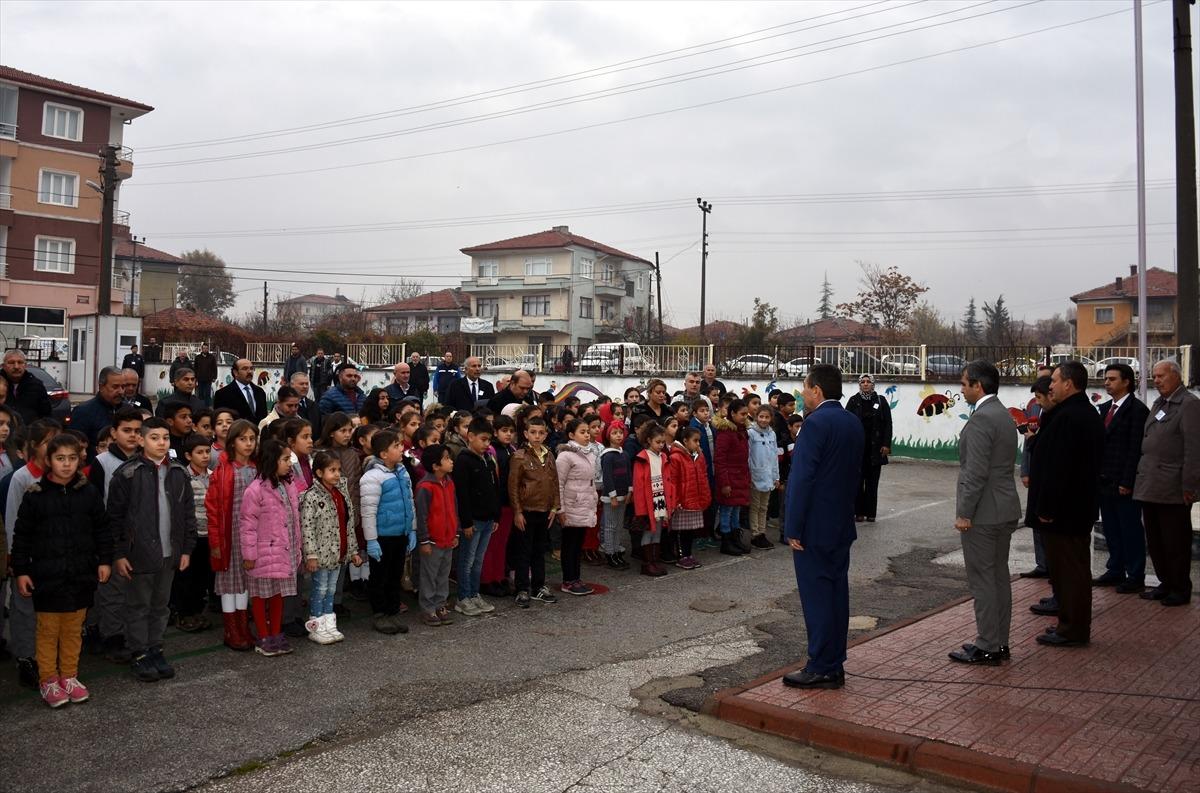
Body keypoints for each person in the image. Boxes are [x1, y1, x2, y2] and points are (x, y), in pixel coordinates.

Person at [11, 433, 112, 708]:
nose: (66, 464)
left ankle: (69, 676)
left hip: (80, 574)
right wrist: (21, 570)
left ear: (79, 460)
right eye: (60, 459)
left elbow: (102, 529)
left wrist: (104, 560)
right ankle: (49, 679)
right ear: (48, 461)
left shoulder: (88, 492)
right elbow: (22, 536)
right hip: (47, 577)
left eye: (71, 458)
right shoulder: (35, 495)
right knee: (47, 631)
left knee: (72, 629)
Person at [782, 364, 863, 689]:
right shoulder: (851, 421)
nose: (802, 393)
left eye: (804, 387)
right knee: (836, 593)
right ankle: (835, 661)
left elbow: (802, 478)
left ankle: (821, 665)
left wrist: (793, 526)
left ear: (817, 390)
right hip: (840, 523)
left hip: (814, 526)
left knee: (817, 596)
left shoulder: (815, 424)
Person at [109, 417, 198, 682]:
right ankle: (139, 652)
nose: (161, 443)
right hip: (139, 554)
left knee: (160, 605)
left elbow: (188, 515)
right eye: (154, 438)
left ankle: (156, 648)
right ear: (141, 440)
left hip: (170, 552)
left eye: (165, 438)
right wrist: (119, 553)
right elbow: (114, 518)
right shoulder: (127, 473)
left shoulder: (178, 473)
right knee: (138, 605)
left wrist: (186, 549)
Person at [948, 361, 1022, 666]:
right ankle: (999, 641)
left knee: (983, 581)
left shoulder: (981, 419)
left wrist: (965, 513)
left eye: (964, 384)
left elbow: (975, 473)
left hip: (984, 512)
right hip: (1004, 507)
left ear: (978, 385)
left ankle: (988, 644)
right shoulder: (1002, 414)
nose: (961, 389)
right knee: (998, 577)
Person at [1026, 360, 1104, 648]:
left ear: (1069, 384)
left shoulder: (1073, 416)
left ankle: (1073, 629)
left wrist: (1046, 508)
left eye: (1055, 381)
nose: (1051, 386)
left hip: (1066, 513)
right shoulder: (1070, 413)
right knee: (1066, 571)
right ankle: (1068, 623)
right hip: (1070, 510)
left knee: (1071, 571)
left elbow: (1061, 469)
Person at [1135, 359, 1200, 607]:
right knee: (1156, 539)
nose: (1157, 380)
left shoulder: (1189, 405)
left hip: (1173, 485)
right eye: (1154, 376)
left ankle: (1180, 587)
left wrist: (1190, 487)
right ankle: (1166, 582)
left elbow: (1194, 451)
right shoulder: (1160, 403)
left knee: (1175, 541)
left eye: (1161, 376)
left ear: (1177, 375)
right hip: (1151, 483)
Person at [239, 439, 304, 657]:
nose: (289, 463)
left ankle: (276, 633)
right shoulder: (255, 490)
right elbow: (247, 525)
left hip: (283, 552)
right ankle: (263, 636)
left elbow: (294, 520)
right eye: (285, 459)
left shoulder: (288, 485)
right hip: (262, 554)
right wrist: (249, 554)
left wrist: (297, 548)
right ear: (270, 461)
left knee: (278, 594)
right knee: (259, 596)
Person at [1093, 363, 1150, 593]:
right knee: (1111, 528)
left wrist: (1127, 481)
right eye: (1106, 379)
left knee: (1130, 529)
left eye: (1112, 379)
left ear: (1126, 382)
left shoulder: (1137, 410)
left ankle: (1135, 574)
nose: (1106, 382)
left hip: (1123, 482)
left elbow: (1135, 449)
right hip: (1104, 480)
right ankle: (1115, 569)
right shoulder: (1105, 408)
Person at [206, 419, 258, 652]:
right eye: (242, 439)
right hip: (230, 536)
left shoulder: (258, 469)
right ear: (232, 442)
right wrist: (216, 541)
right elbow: (214, 508)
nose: (248, 444)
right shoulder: (224, 469)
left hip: (252, 535)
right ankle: (231, 629)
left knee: (246, 581)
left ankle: (243, 625)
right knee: (230, 582)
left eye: (251, 439)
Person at [300, 450, 361, 644]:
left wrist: (352, 551)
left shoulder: (341, 492)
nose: (336, 474)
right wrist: (310, 555)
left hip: (338, 552)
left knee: (332, 588)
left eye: (338, 470)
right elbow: (307, 527)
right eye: (331, 470)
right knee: (320, 588)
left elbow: (348, 523)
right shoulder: (311, 497)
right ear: (319, 472)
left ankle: (328, 622)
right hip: (321, 554)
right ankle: (316, 623)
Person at [360, 429, 415, 635]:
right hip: (382, 536)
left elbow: (409, 502)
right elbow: (368, 511)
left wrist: (412, 530)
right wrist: (371, 540)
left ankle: (393, 611)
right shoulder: (372, 477)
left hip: (400, 533)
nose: (402, 449)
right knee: (379, 576)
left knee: (395, 574)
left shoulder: (402, 471)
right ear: (383, 454)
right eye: (397, 446)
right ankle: (380, 614)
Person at [507, 416, 560, 608]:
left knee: (539, 551)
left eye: (541, 433)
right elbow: (513, 486)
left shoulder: (549, 455)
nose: (537, 436)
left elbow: (554, 482)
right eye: (533, 432)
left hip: (545, 510)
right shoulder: (519, 456)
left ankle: (539, 586)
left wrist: (555, 506)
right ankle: (522, 588)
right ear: (526, 434)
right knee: (524, 551)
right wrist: (517, 512)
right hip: (526, 511)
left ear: (546, 434)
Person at [452, 418, 501, 615]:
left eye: (489, 440)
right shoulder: (463, 461)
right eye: (483, 439)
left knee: (478, 559)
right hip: (473, 520)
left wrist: (496, 516)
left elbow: (495, 488)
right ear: (470, 436)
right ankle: (463, 597)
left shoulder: (488, 459)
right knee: (467, 560)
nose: (486, 444)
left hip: (488, 519)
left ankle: (474, 593)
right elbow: (462, 495)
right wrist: (466, 522)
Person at [172, 434, 214, 633]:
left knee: (203, 576)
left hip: (210, 533)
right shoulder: (183, 477)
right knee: (187, 577)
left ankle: (198, 612)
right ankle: (185, 614)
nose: (205, 456)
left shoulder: (214, 476)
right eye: (200, 452)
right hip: (191, 535)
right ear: (188, 455)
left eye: (207, 451)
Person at [555, 419, 598, 596]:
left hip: (584, 505)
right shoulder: (565, 456)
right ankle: (568, 580)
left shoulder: (590, 453)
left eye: (588, 431)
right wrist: (560, 509)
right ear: (572, 435)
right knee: (569, 544)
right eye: (582, 431)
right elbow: (558, 483)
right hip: (571, 505)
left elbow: (590, 482)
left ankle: (576, 578)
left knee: (578, 543)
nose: (587, 434)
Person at [1018, 376, 1053, 579]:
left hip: (1049, 479)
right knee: (1036, 523)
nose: (1037, 401)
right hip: (1035, 473)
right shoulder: (1034, 408)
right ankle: (1042, 564)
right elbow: (1027, 442)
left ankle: (1052, 567)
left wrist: (1035, 440)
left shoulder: (1059, 415)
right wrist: (1025, 470)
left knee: (1048, 524)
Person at [845, 374, 892, 523]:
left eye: (868, 382)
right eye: (863, 382)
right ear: (859, 384)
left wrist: (886, 444)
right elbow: (846, 423)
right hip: (858, 449)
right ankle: (858, 512)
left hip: (875, 449)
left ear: (873, 384)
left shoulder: (881, 401)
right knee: (858, 482)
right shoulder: (853, 401)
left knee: (872, 482)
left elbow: (888, 424)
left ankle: (871, 513)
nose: (865, 384)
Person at [632, 420, 675, 576]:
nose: (661, 445)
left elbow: (669, 480)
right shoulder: (642, 458)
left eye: (663, 442)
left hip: (661, 499)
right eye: (658, 442)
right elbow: (638, 486)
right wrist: (641, 509)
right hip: (649, 501)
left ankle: (655, 560)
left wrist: (670, 501)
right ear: (649, 440)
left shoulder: (664, 457)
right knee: (648, 531)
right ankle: (647, 562)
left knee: (657, 530)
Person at [669, 426, 711, 570]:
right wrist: (676, 500)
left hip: (695, 498)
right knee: (681, 530)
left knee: (691, 530)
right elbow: (673, 481)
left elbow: (704, 476)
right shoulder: (676, 457)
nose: (698, 444)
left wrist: (705, 495)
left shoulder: (699, 456)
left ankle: (688, 554)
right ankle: (681, 556)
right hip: (682, 501)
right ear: (685, 441)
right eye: (695, 441)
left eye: (699, 441)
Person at [713, 398, 752, 556]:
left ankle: (735, 538)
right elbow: (720, 460)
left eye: (746, 414)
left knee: (736, 509)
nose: (745, 417)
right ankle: (726, 540)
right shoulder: (725, 433)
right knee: (726, 510)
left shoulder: (741, 431)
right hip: (729, 477)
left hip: (740, 475)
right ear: (732, 414)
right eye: (742, 414)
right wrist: (724, 483)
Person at [70, 367, 126, 460]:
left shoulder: (128, 410)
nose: (121, 391)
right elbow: (75, 447)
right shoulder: (83, 412)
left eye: (123, 387)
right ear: (101, 387)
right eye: (115, 387)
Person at [599, 422, 632, 570]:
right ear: (608, 436)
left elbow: (629, 473)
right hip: (612, 496)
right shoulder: (607, 456)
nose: (618, 435)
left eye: (620, 432)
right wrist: (612, 496)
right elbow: (608, 477)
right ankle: (609, 553)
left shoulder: (624, 454)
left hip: (623, 494)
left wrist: (630, 490)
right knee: (610, 526)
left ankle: (617, 550)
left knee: (618, 525)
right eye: (614, 433)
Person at [747, 405, 780, 550]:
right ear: (756, 417)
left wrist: (776, 476)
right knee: (755, 506)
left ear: (771, 418)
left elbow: (774, 457)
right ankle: (755, 534)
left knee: (764, 506)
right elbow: (748, 456)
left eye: (767, 417)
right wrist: (750, 474)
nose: (764, 420)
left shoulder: (772, 434)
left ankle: (762, 532)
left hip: (768, 475)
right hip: (756, 474)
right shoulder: (751, 433)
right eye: (761, 416)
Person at [213, 359, 268, 424]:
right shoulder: (223, 394)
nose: (249, 371)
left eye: (251, 368)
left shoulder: (260, 392)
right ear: (235, 372)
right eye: (245, 369)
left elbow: (264, 417)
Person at [3, 349, 51, 423]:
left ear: (25, 365)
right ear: (3, 366)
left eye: (20, 362)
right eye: (11, 362)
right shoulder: (1, 384)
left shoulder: (36, 386)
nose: (16, 366)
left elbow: (47, 414)